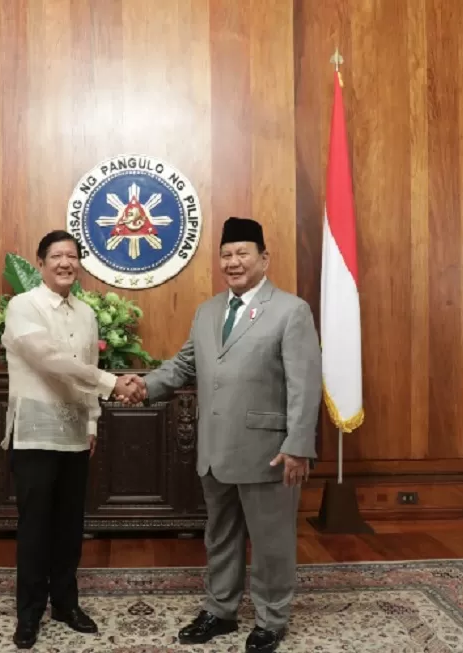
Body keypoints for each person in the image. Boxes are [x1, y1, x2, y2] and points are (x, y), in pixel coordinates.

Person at [120, 217, 322, 653]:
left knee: (271, 541)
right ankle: (221, 610)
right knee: (221, 534)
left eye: (242, 253)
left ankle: (271, 618)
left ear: (264, 259)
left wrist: (298, 446)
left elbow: (306, 384)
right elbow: (184, 365)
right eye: (226, 255)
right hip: (215, 449)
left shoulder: (291, 311)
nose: (233, 262)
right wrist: (144, 385)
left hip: (269, 450)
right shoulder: (208, 311)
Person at [1, 230, 140, 649]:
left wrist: (94, 422)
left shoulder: (85, 313)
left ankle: (65, 603)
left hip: (76, 434)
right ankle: (29, 615)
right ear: (40, 263)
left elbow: (87, 365)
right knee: (35, 528)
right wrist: (111, 383)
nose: (66, 263)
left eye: (73, 256)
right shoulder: (23, 306)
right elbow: (49, 359)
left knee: (68, 527)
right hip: (35, 434)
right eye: (57, 256)